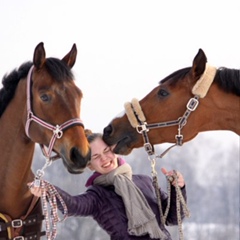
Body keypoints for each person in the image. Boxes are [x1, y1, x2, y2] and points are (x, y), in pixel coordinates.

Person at [28, 131, 187, 240]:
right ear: (90, 165)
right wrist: (48, 191)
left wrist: (177, 188)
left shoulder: (144, 181)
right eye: (96, 156)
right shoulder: (97, 196)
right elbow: (72, 206)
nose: (104, 159)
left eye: (106, 151)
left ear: (114, 151)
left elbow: (173, 218)